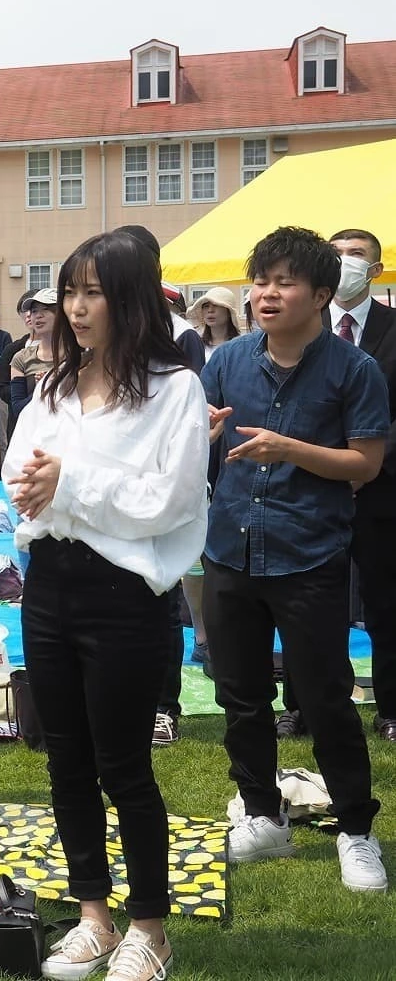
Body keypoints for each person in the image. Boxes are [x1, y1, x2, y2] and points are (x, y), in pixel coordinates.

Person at [3, 230, 209, 981]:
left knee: (124, 766)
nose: (76, 308)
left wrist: (72, 484)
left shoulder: (174, 389)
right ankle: (94, 914)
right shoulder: (53, 385)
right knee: (66, 759)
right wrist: (47, 490)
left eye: (92, 292)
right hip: (48, 586)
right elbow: (20, 470)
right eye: (70, 292)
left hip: (123, 595)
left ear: (129, 299)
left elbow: (170, 500)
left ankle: (149, 928)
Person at [203, 226, 388, 895]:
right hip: (230, 550)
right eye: (260, 281)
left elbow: (365, 463)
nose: (267, 294)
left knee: (326, 697)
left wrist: (289, 449)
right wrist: (198, 434)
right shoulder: (226, 360)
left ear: (320, 294)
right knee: (240, 695)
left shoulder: (354, 370)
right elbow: (197, 437)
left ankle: (356, 828)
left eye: (284, 282)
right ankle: (262, 814)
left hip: (308, 554)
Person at [317, 229, 396, 744]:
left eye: (355, 255)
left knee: (385, 603)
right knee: (310, 604)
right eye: (337, 254)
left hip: (382, 489)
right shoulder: (304, 328)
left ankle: (390, 708)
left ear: (375, 269)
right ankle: (304, 705)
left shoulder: (392, 327)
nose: (345, 262)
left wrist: (364, 464)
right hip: (313, 486)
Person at [8, 286, 60, 429]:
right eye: (34, 311)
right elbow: (17, 409)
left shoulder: (79, 357)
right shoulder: (21, 358)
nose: (38, 315)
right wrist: (41, 389)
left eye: (46, 309)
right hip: (34, 432)